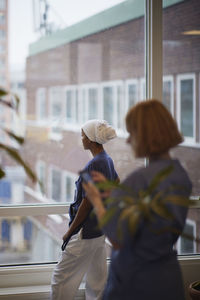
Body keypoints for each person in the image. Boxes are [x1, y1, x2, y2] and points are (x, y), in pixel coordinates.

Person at [83, 99, 192, 300]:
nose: (128, 140)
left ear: (146, 135)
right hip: (167, 280)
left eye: (132, 133)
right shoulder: (180, 175)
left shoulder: (140, 180)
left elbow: (117, 239)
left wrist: (97, 201)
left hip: (135, 282)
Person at [50, 119, 119, 300]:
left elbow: (87, 203)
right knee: (97, 280)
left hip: (85, 232)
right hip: (99, 230)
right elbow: (116, 183)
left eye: (83, 135)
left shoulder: (95, 163)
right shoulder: (107, 160)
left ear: (90, 139)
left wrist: (69, 232)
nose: (81, 138)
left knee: (60, 278)